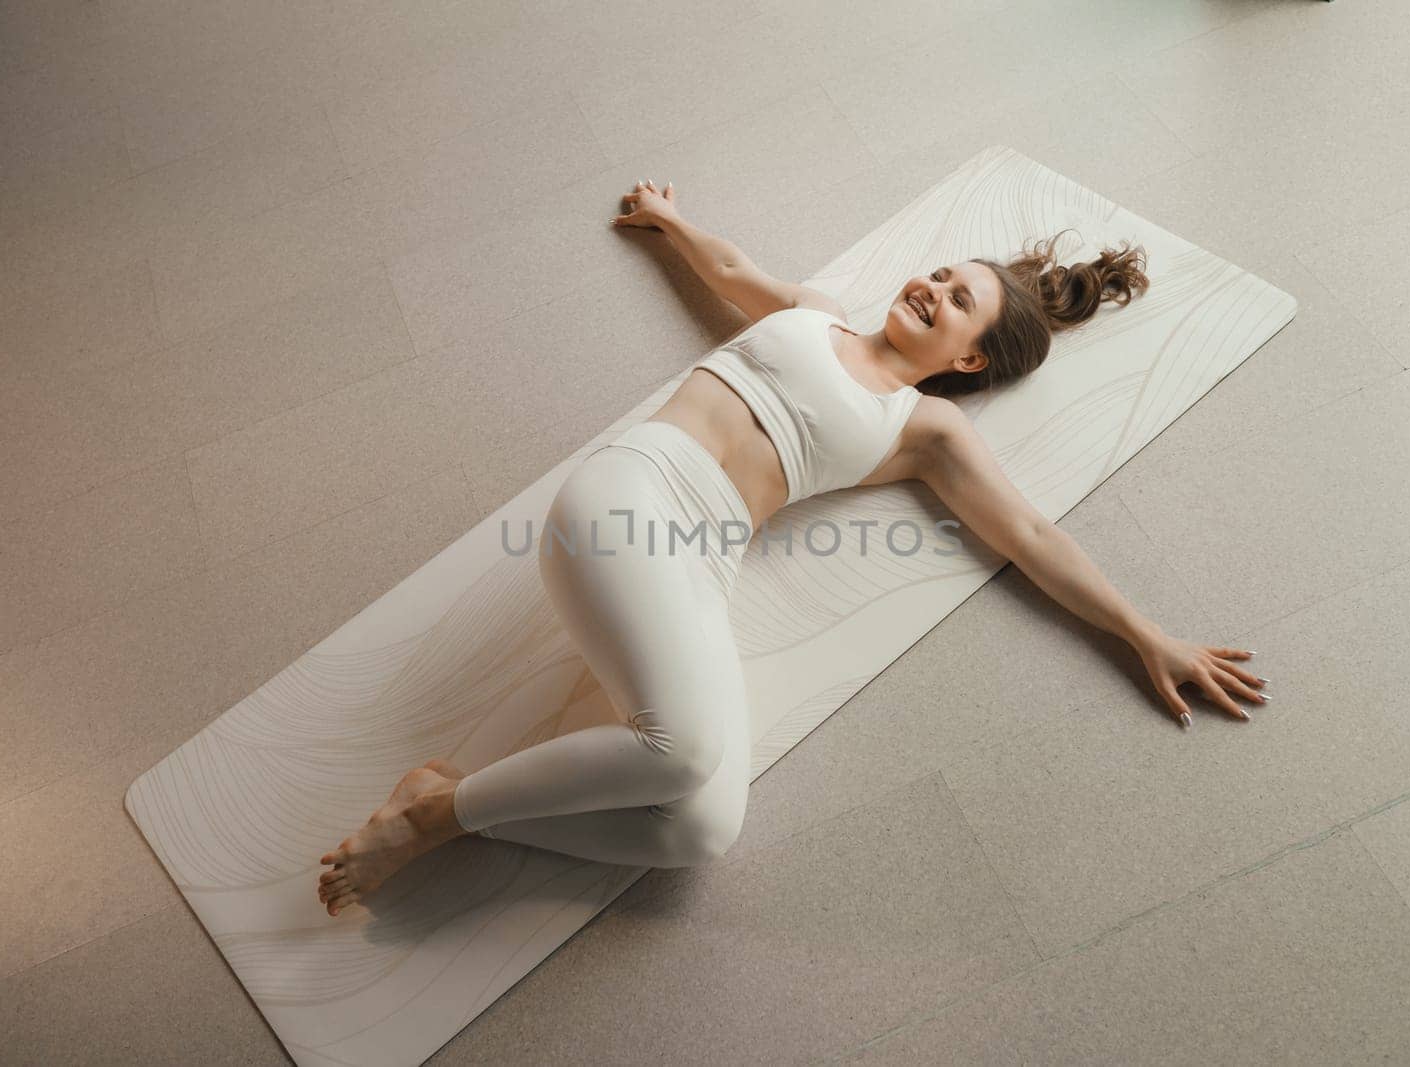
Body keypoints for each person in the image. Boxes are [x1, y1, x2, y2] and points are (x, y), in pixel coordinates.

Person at [317, 180, 1271, 916]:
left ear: (970, 359)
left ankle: (451, 794)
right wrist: (670, 221)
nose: (932, 287)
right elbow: (732, 274)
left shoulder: (921, 430)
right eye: (940, 273)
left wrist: (1146, 633)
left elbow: (1027, 533)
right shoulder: (817, 313)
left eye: (958, 299)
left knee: (701, 824)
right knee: (683, 749)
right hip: (635, 494)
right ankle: (433, 820)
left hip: (699, 566)